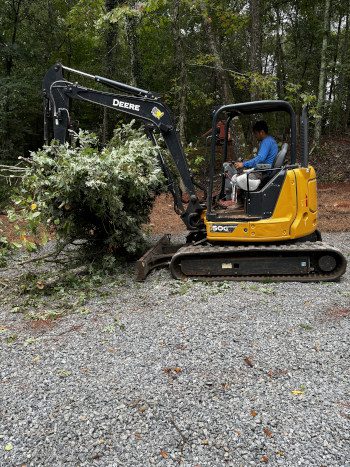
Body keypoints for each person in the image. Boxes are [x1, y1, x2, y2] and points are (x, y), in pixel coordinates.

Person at [220, 120, 278, 209]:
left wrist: (244, 164)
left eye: (256, 133)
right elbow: (261, 158)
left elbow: (260, 158)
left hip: (262, 172)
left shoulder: (266, 142)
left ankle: (238, 202)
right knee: (241, 172)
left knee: (236, 177)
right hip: (265, 169)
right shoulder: (270, 140)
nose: (255, 136)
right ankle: (238, 199)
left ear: (261, 132)